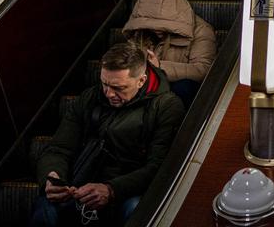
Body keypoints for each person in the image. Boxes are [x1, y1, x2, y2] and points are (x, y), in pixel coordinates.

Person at [32, 41, 184, 226]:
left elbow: (158, 167)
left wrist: (111, 190)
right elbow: (58, 148)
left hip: (127, 189)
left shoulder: (166, 106)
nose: (109, 94)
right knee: (45, 207)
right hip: (82, 180)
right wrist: (52, 177)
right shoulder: (90, 97)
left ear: (141, 80)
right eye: (105, 84)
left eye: (119, 88)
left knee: (137, 210)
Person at [122, 0, 216, 109]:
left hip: (179, 91)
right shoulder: (141, 31)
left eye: (162, 24)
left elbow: (203, 70)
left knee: (184, 87)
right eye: (152, 24)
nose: (156, 29)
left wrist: (159, 67)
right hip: (147, 87)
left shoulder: (201, 30)